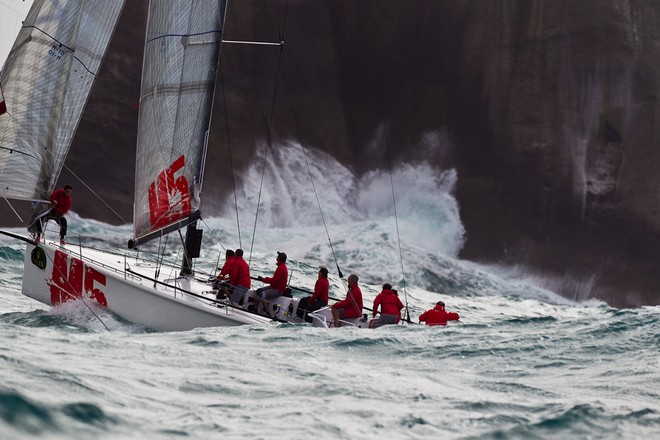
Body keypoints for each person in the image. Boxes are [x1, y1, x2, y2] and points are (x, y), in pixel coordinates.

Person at [255, 251, 288, 316]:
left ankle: (268, 313)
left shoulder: (281, 268)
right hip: (273, 287)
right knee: (258, 291)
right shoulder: (281, 267)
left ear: (280, 259)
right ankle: (255, 309)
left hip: (278, 290)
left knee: (262, 295)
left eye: (277, 257)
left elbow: (274, 280)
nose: (276, 259)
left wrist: (263, 279)